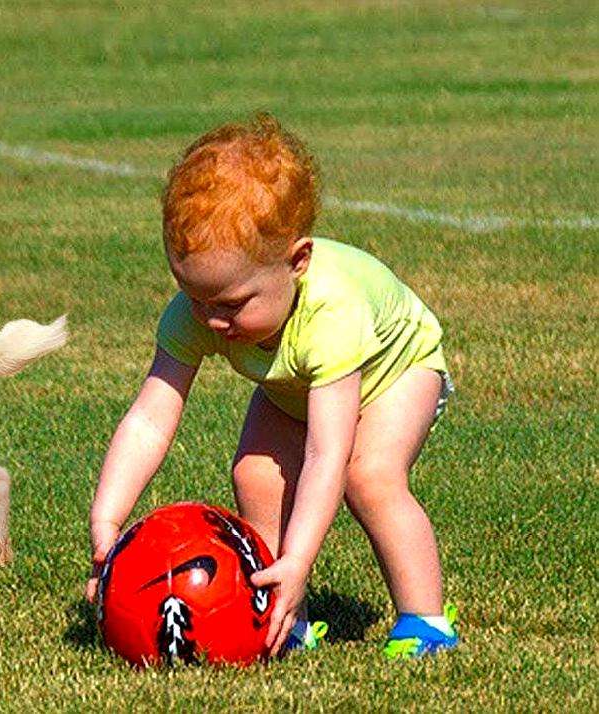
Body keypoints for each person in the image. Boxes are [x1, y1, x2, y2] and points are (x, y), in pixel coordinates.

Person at [85, 114, 458, 658]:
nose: (211, 319)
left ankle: (425, 620)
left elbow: (325, 452)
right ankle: (284, 619)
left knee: (368, 474)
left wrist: (302, 558)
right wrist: (108, 517)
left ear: (297, 261)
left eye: (232, 304)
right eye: (195, 297)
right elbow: (149, 418)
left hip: (396, 371)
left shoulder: (331, 311)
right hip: (297, 384)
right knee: (255, 473)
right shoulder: (200, 311)